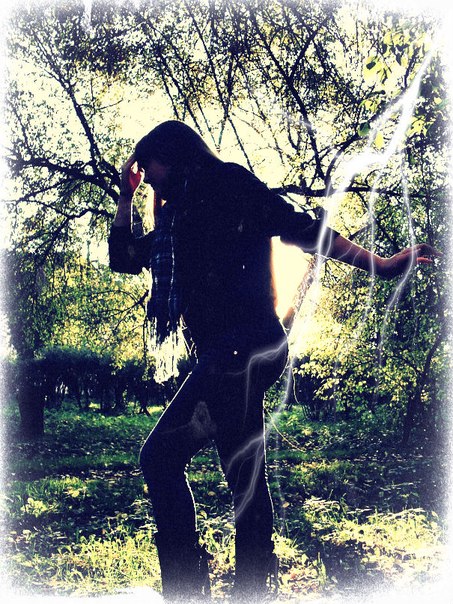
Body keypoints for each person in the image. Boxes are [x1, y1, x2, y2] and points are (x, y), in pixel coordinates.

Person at [108, 120, 437, 603]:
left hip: (246, 349)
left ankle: (191, 593)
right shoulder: (175, 218)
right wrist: (126, 196)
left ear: (172, 154)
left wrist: (382, 265)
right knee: (243, 477)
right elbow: (123, 258)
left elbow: (301, 230)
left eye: (147, 164)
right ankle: (251, 589)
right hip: (228, 355)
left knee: (160, 458)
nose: (146, 174)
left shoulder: (227, 184)